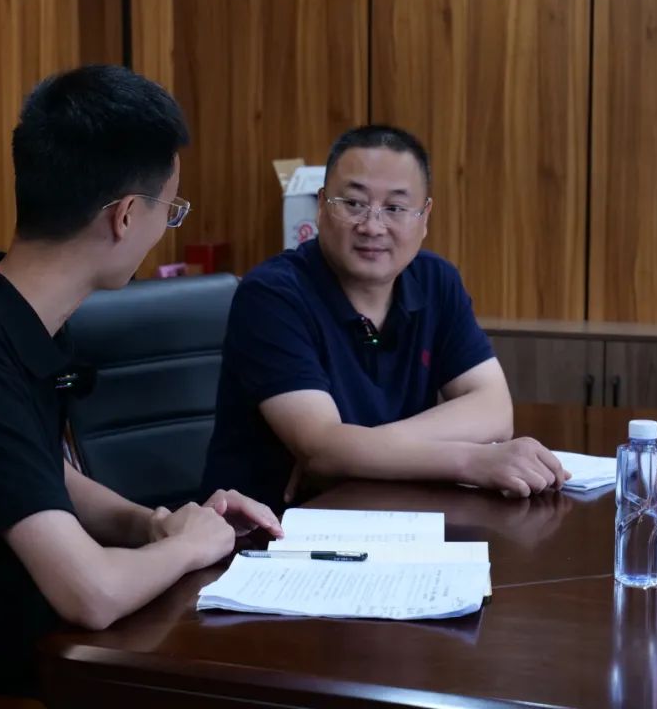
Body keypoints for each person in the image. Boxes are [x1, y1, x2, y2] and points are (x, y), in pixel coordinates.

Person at [0, 65, 282, 701]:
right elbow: (92, 594)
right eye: (171, 210)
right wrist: (190, 548)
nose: (167, 227)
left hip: (40, 661)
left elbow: (38, 471)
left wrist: (155, 525)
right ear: (126, 216)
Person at [202, 125, 568, 513]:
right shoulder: (273, 294)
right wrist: (472, 460)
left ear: (424, 217)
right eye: (353, 203)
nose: (373, 226)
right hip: (270, 532)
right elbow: (320, 444)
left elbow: (494, 409)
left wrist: (347, 453)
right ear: (322, 205)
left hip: (390, 518)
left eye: (395, 208)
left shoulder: (435, 281)